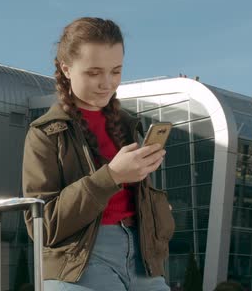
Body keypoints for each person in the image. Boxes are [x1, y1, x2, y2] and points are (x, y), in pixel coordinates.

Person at [22, 17, 175, 291]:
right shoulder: (46, 133)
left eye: (115, 71)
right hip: (79, 261)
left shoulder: (129, 126)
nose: (107, 83)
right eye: (94, 73)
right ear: (67, 70)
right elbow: (42, 226)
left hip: (143, 257)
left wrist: (155, 208)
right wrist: (112, 176)